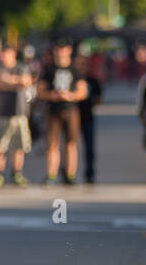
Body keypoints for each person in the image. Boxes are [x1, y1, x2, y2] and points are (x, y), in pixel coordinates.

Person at [38, 39, 87, 185]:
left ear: (69, 50)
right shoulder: (48, 69)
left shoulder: (75, 69)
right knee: (52, 144)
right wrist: (52, 95)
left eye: (64, 48)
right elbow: (39, 91)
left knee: (71, 144)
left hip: (71, 110)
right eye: (59, 49)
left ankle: (70, 175)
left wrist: (71, 96)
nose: (61, 52)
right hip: (53, 110)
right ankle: (51, 175)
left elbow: (83, 91)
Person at [0, 44, 33, 188]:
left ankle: (17, 173)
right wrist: (15, 82)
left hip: (18, 112)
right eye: (2, 54)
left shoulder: (22, 67)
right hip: (0, 112)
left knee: (18, 146)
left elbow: (26, 81)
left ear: (13, 54)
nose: (3, 56)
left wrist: (7, 79)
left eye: (6, 53)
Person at [75, 53, 103, 184]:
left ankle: (89, 172)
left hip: (87, 117)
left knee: (89, 147)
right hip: (72, 117)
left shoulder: (93, 80)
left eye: (84, 64)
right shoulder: (72, 78)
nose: (82, 67)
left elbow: (98, 99)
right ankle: (67, 171)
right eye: (79, 64)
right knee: (70, 145)